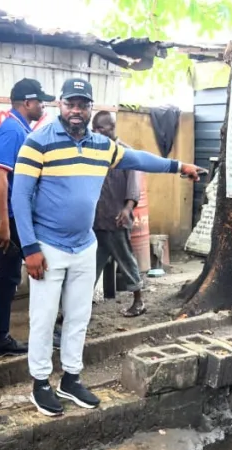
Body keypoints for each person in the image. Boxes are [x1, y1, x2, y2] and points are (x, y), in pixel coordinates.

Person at [11, 77, 204, 417]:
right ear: (60, 104)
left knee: (79, 315)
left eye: (82, 104)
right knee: (42, 319)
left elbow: (138, 159)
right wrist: (29, 248)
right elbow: (20, 197)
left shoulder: (102, 146)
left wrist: (178, 166)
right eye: (71, 103)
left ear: (89, 108)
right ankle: (40, 385)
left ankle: (71, 378)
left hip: (85, 244)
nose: (76, 110)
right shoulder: (37, 143)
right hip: (49, 246)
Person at [0, 78, 54, 358]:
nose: (43, 106)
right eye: (40, 101)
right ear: (27, 102)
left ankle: (0, 337)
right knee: (13, 276)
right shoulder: (11, 130)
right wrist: (2, 222)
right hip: (9, 217)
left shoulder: (21, 128)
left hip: (13, 215)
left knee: (11, 276)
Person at [90, 111, 146, 318]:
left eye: (100, 128)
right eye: (93, 128)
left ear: (111, 128)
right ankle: (79, 308)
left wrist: (127, 209)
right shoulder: (94, 152)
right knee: (90, 267)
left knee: (126, 260)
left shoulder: (126, 153)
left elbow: (134, 186)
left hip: (116, 220)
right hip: (96, 221)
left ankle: (139, 301)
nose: (95, 132)